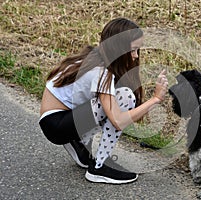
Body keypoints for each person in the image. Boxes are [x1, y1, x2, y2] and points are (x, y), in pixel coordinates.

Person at [39, 18, 168, 184]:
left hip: (57, 119)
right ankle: (98, 167)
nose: (136, 56)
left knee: (115, 98)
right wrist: (155, 99)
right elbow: (118, 121)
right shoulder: (101, 72)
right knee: (125, 97)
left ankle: (78, 142)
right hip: (56, 124)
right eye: (133, 50)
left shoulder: (95, 57)